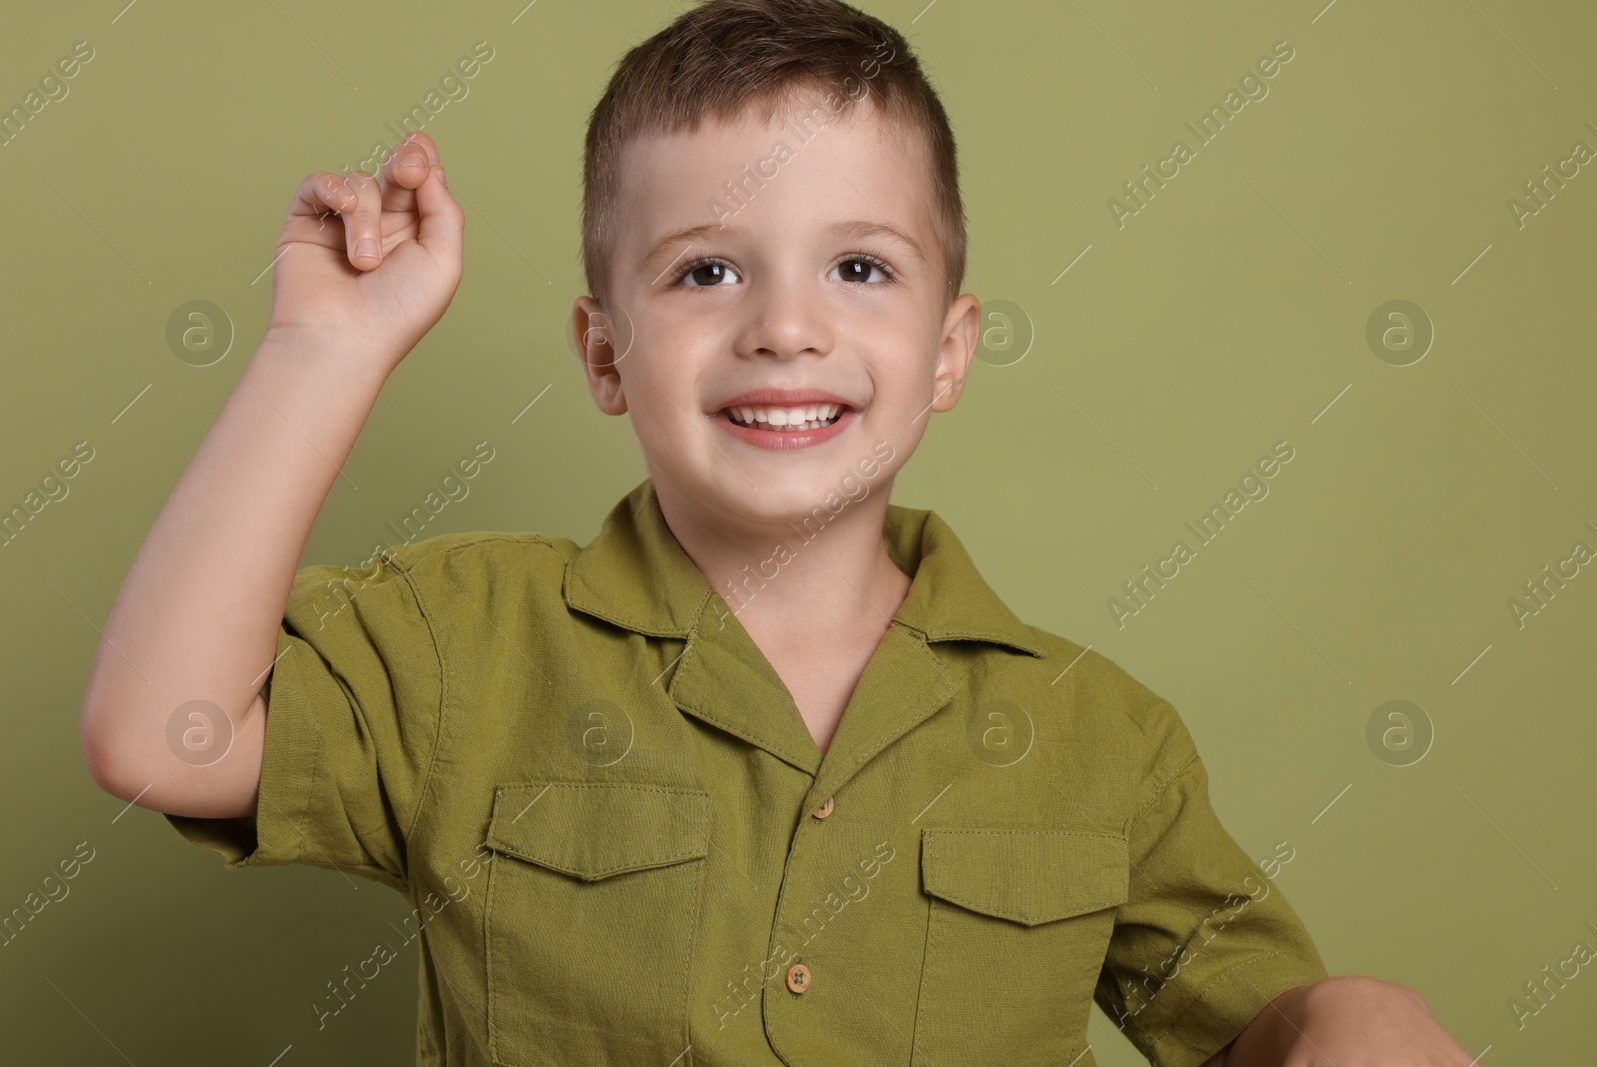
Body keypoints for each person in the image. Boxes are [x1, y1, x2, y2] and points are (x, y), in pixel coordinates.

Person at [78, 1, 1475, 1064]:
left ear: (946, 350)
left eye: (860, 267)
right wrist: (327, 350)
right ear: (606, 351)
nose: (786, 326)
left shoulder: (1105, 739)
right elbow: (157, 737)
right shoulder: (466, 640)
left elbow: (1255, 1033)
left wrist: (1355, 1016)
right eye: (706, 270)